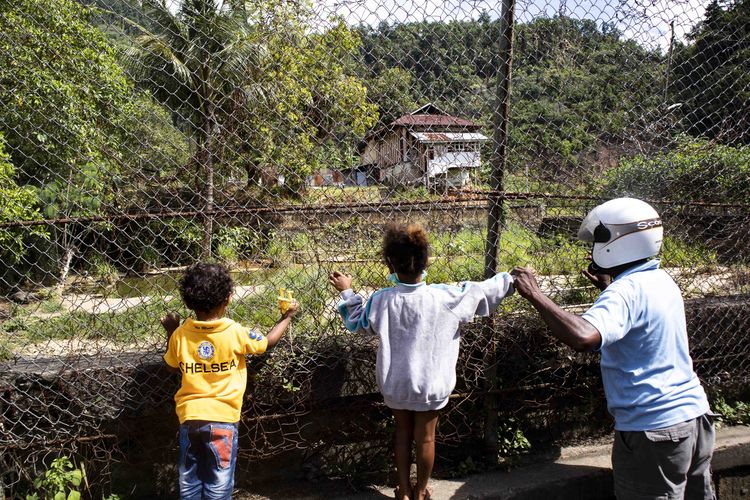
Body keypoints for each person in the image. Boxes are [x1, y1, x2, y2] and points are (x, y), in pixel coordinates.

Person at [511, 198, 715, 500]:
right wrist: (608, 289)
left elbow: (583, 337)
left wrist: (535, 295)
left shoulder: (624, 293)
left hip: (654, 431)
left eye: (598, 239)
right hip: (695, 419)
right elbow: (637, 330)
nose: (592, 247)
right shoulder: (660, 280)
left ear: (617, 242)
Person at [329, 223, 514, 500]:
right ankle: (421, 490)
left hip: (397, 383)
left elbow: (356, 321)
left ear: (390, 264)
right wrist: (513, 278)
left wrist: (347, 291)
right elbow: (484, 291)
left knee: (402, 434)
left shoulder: (381, 300)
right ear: (425, 261)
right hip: (431, 384)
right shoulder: (447, 297)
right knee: (426, 438)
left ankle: (403, 490)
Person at [160, 262, 299, 499]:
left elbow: (172, 364)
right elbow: (266, 342)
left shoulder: (181, 333)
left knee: (190, 480)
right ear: (228, 299)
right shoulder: (234, 331)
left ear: (187, 301)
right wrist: (287, 317)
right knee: (219, 483)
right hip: (223, 419)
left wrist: (171, 330)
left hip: (190, 417)